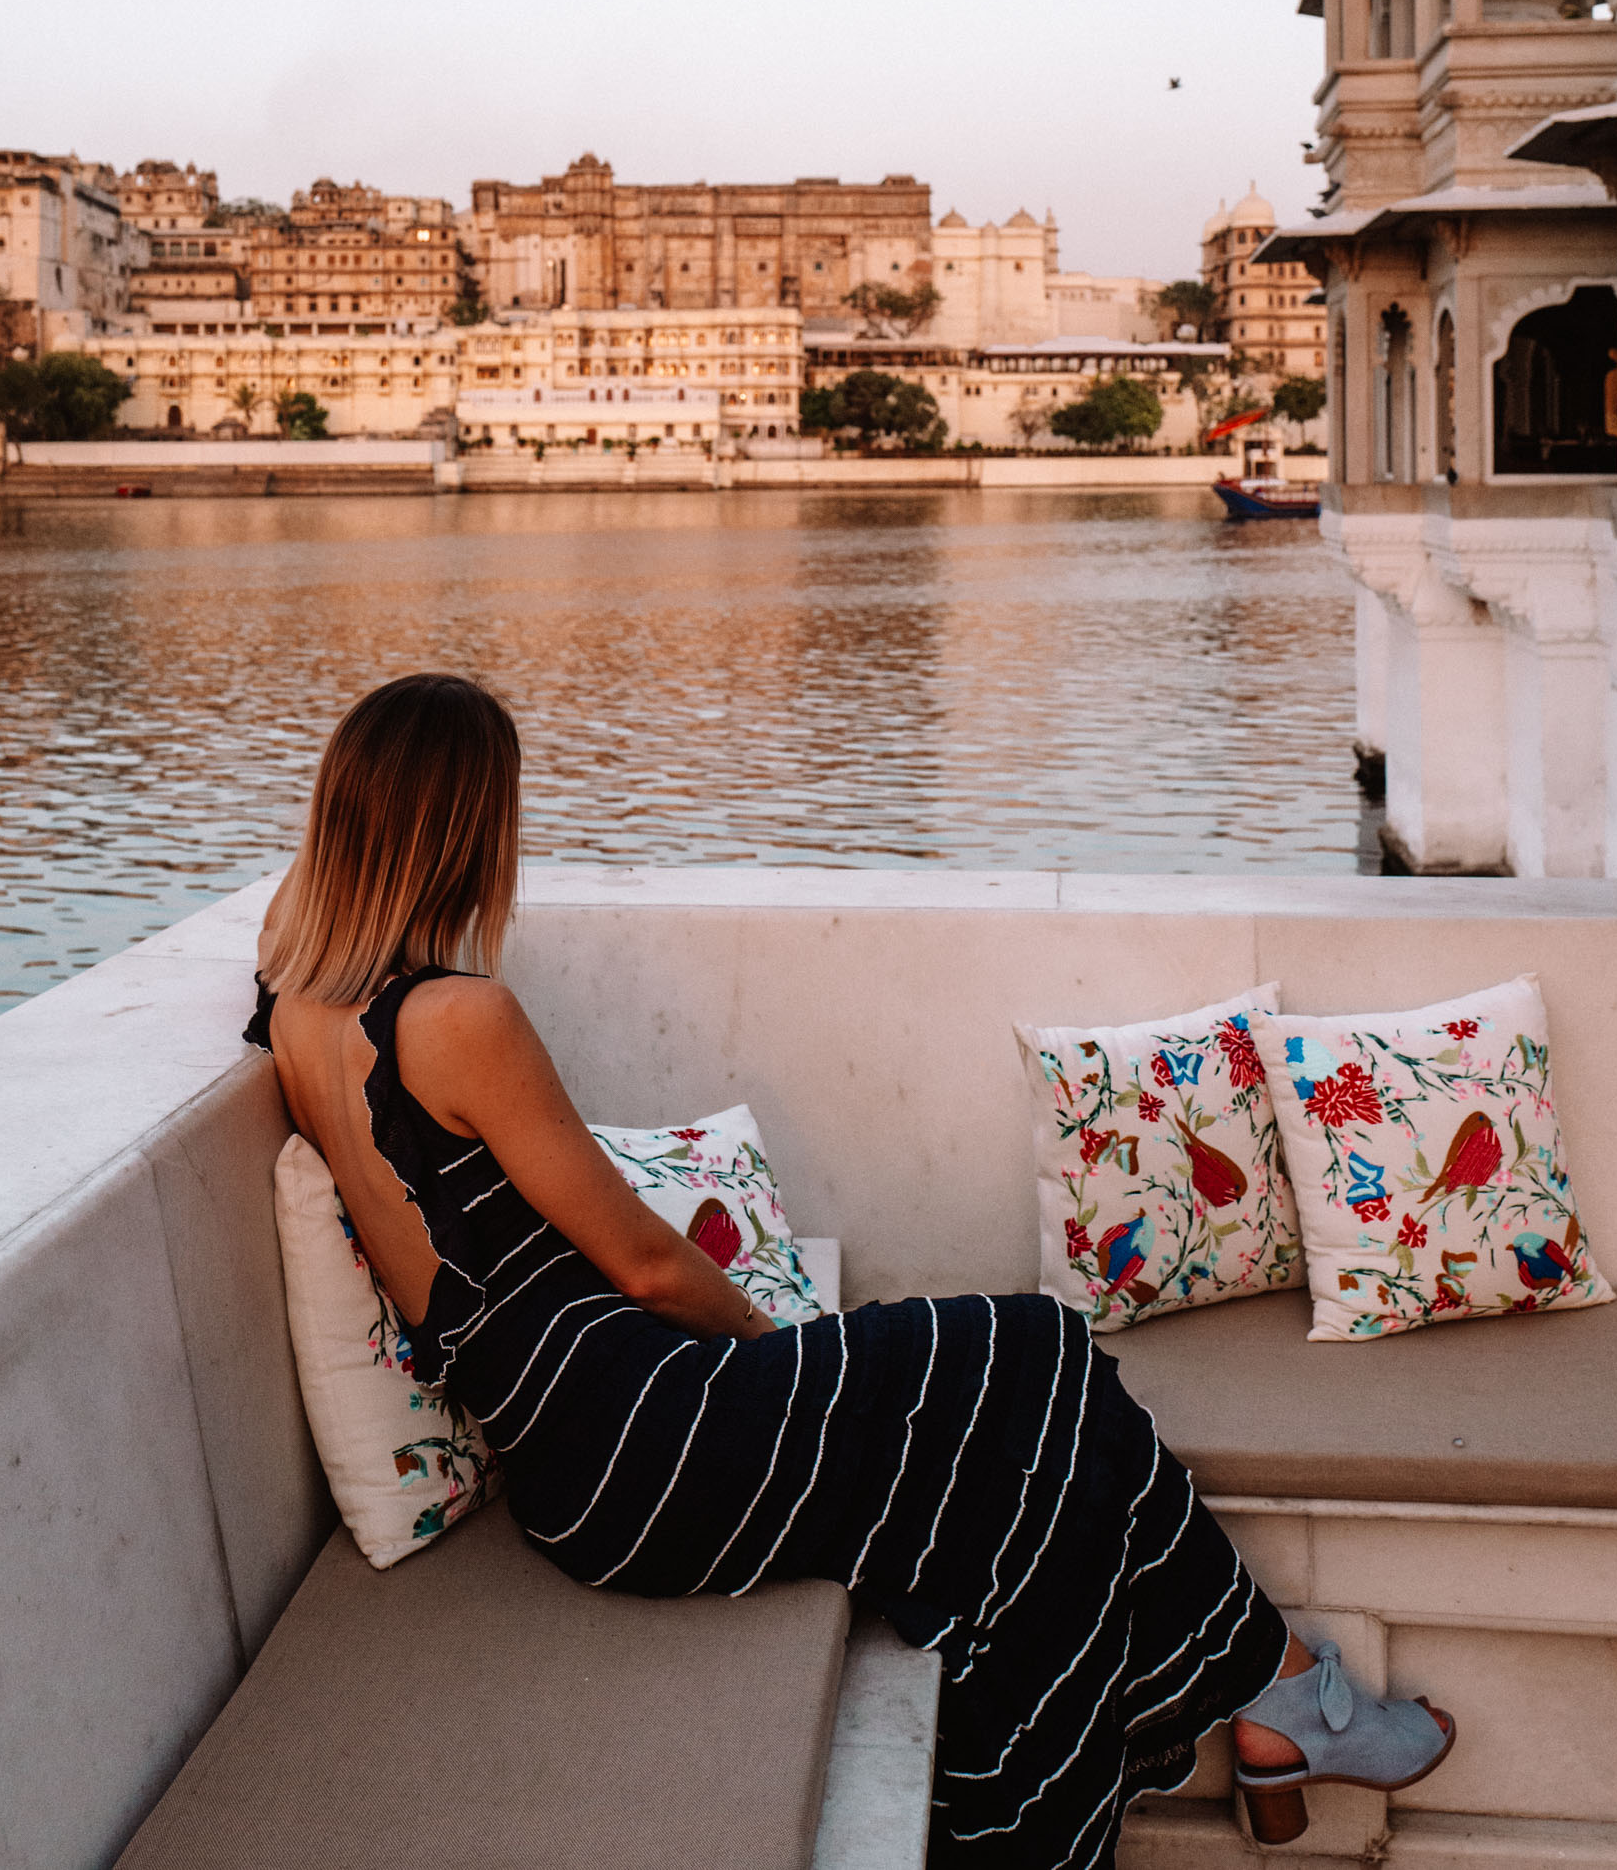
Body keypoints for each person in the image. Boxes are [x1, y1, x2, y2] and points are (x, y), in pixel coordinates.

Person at [249, 673, 1453, 1866]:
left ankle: (1269, 1693)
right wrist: (784, 1360)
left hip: (581, 1460)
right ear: (463, 827)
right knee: (1027, 1352)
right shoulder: (458, 1018)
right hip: (643, 1438)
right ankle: (1249, 1705)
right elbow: (647, 1265)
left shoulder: (295, 1004)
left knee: (1013, 1425)